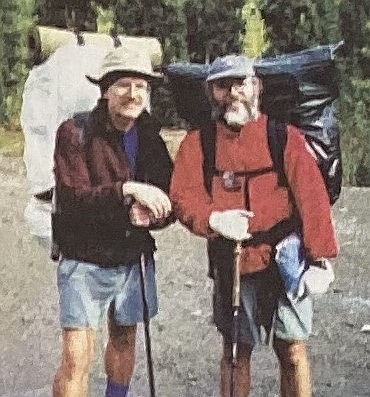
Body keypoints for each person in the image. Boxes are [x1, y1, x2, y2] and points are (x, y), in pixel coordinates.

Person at [169, 55, 338, 397]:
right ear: (209, 93)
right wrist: (213, 219)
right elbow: (183, 196)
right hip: (232, 261)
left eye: (240, 83)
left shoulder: (283, 137)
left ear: (257, 86)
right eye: (222, 85)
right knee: (235, 353)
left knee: (291, 350)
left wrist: (320, 257)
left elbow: (312, 196)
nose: (233, 93)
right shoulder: (199, 144)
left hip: (285, 261)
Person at [52, 47, 173, 397]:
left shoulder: (149, 135)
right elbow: (73, 199)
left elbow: (167, 195)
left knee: (124, 339)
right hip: (84, 259)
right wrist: (127, 191)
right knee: (77, 358)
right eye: (123, 85)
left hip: (132, 256)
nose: (133, 94)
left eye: (141, 86)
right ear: (104, 90)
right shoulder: (75, 132)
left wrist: (150, 216)